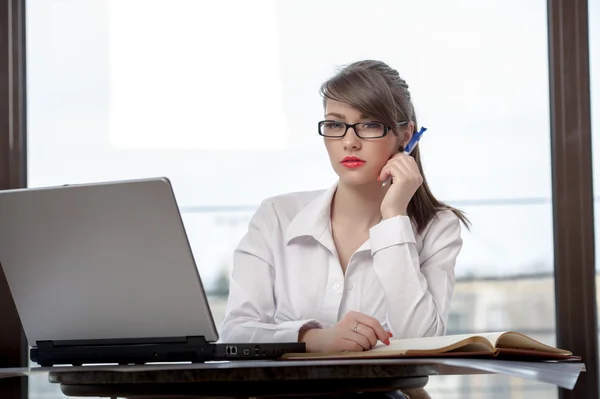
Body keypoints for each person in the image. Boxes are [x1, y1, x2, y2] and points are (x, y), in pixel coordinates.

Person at [220, 60, 469, 355]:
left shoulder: (438, 228)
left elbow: (420, 340)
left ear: (406, 136)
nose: (350, 141)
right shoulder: (276, 216)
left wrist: (394, 218)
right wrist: (313, 339)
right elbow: (234, 335)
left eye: (370, 124)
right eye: (336, 125)